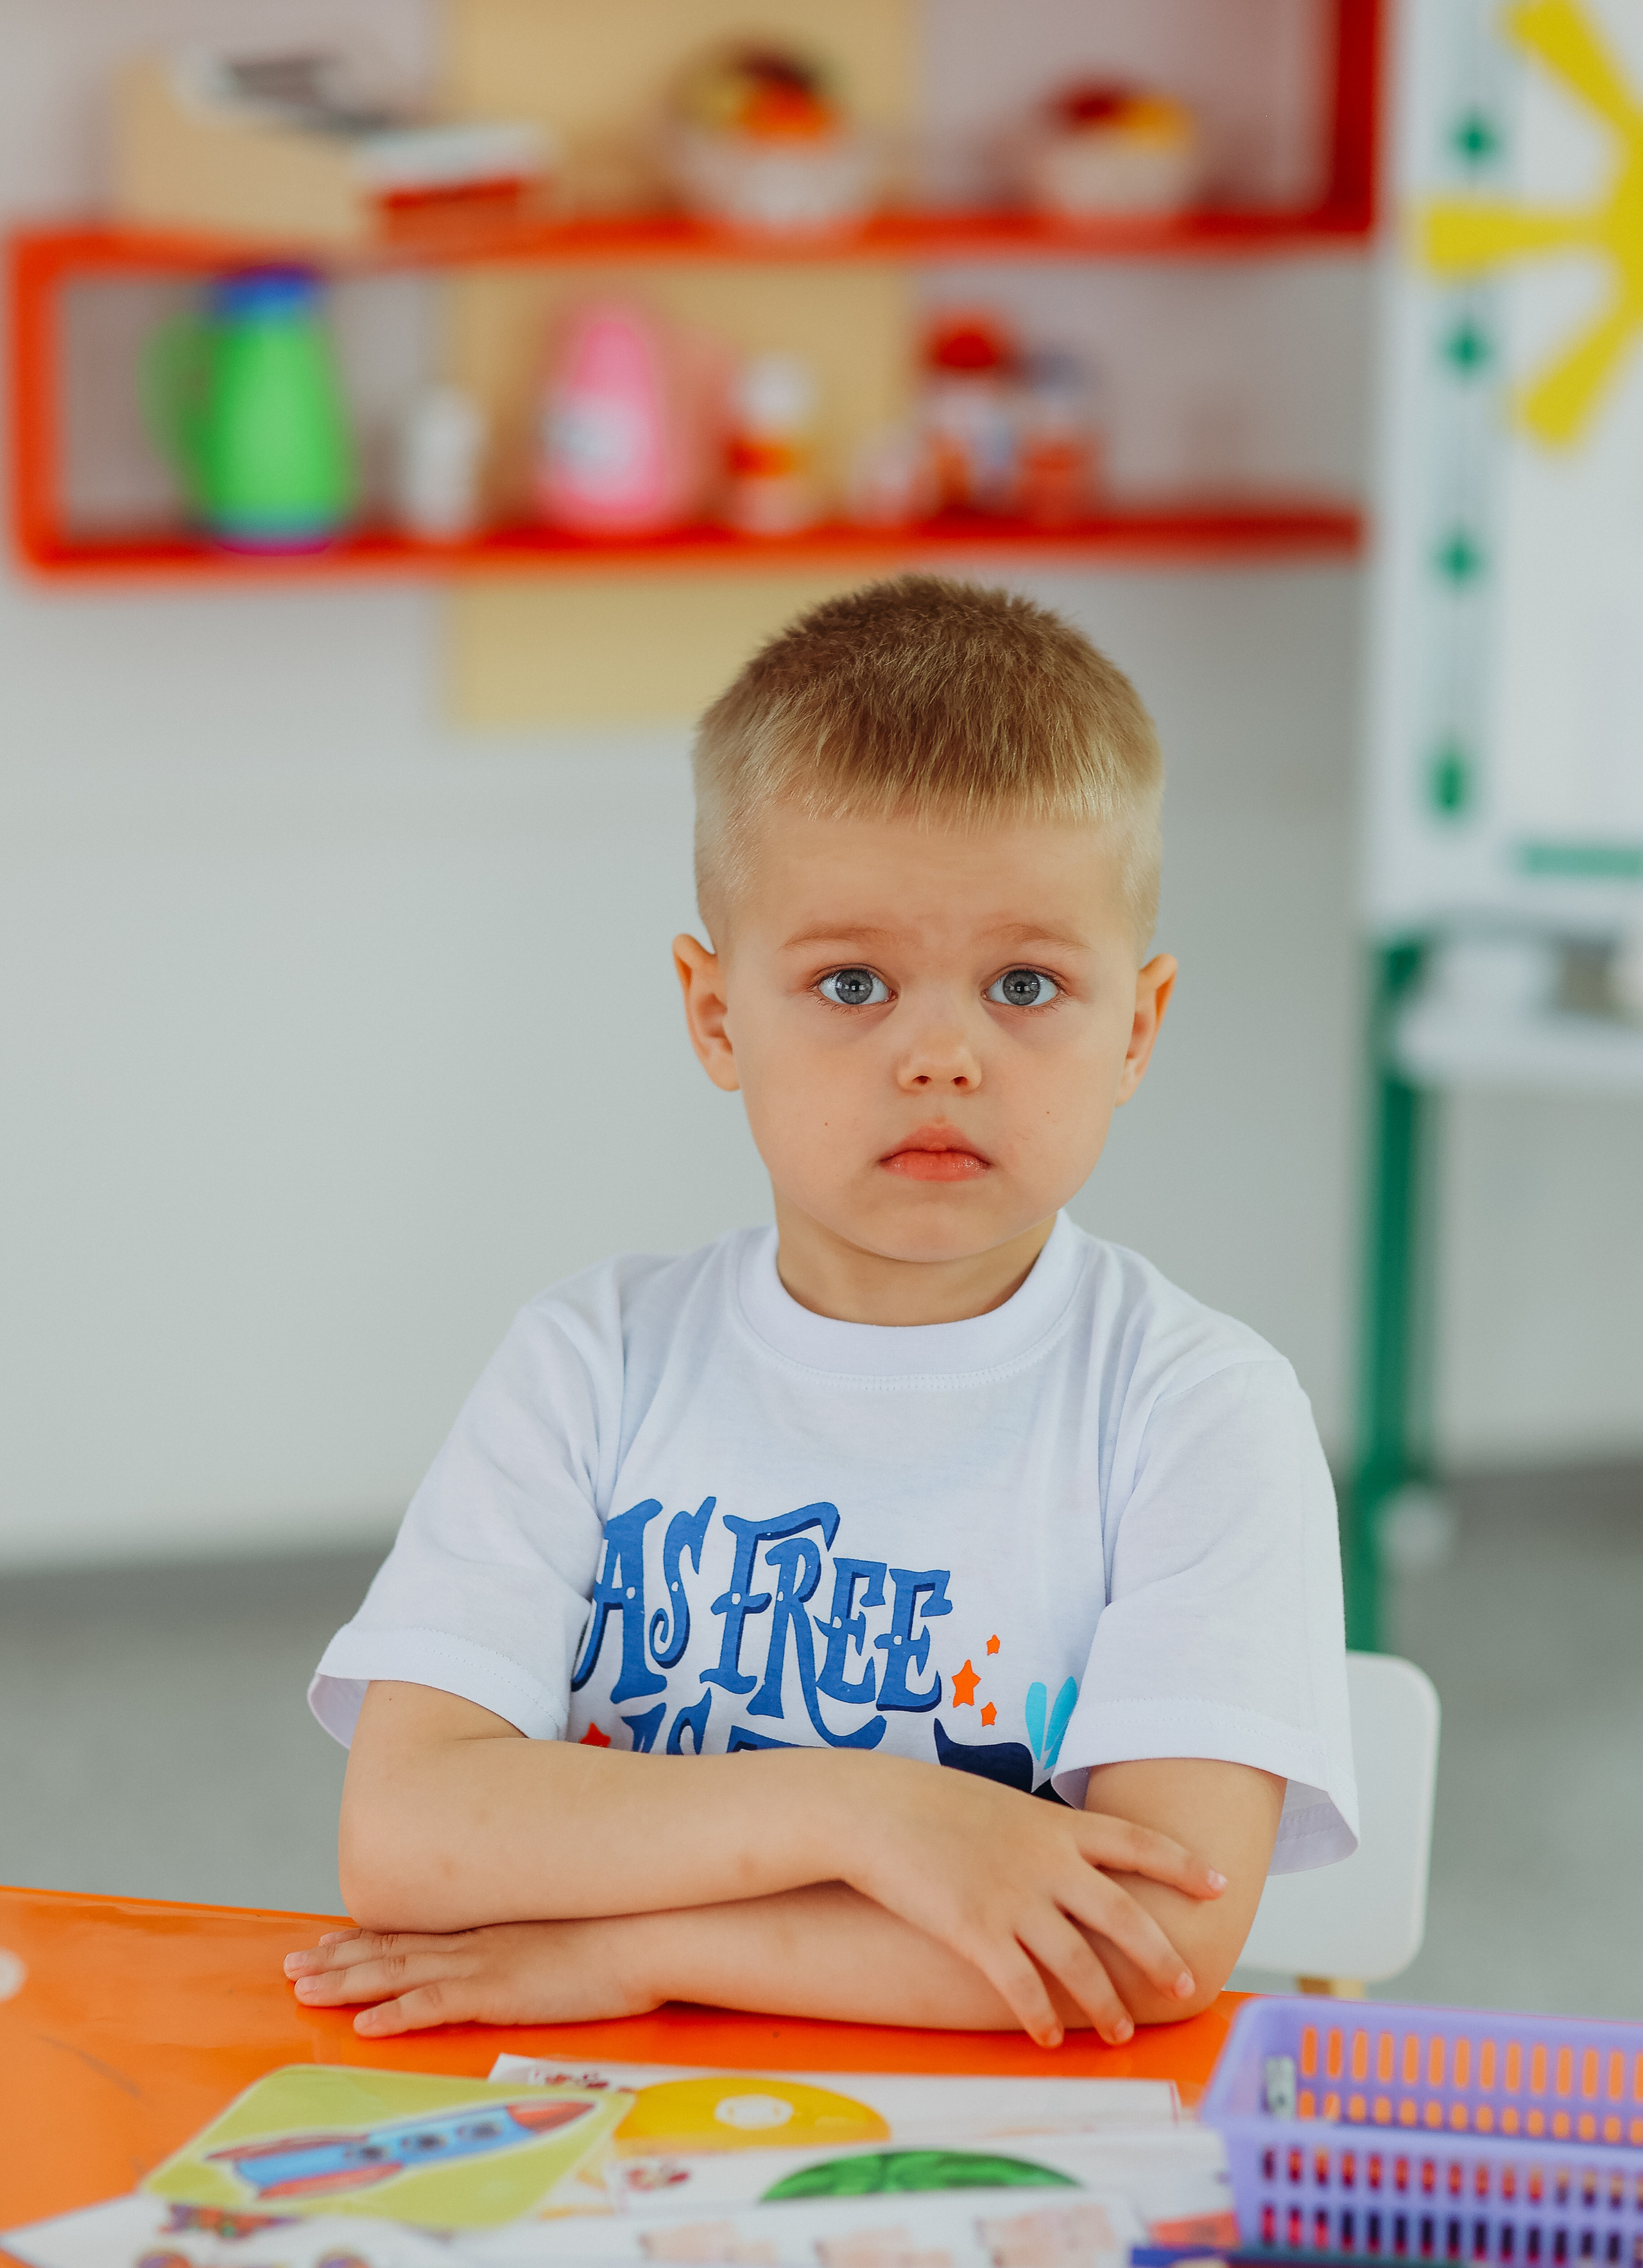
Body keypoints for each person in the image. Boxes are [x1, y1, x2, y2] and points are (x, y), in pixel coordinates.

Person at [288, 575, 1356, 2048]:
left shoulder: (1197, 1411)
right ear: (717, 1015)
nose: (938, 1053)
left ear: (1139, 1028)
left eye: (1025, 983)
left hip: (1014, 2153)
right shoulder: (588, 1361)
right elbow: (406, 1834)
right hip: (608, 2156)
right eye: (851, 980)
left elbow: (1151, 1950)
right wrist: (873, 1814)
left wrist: (644, 1949)